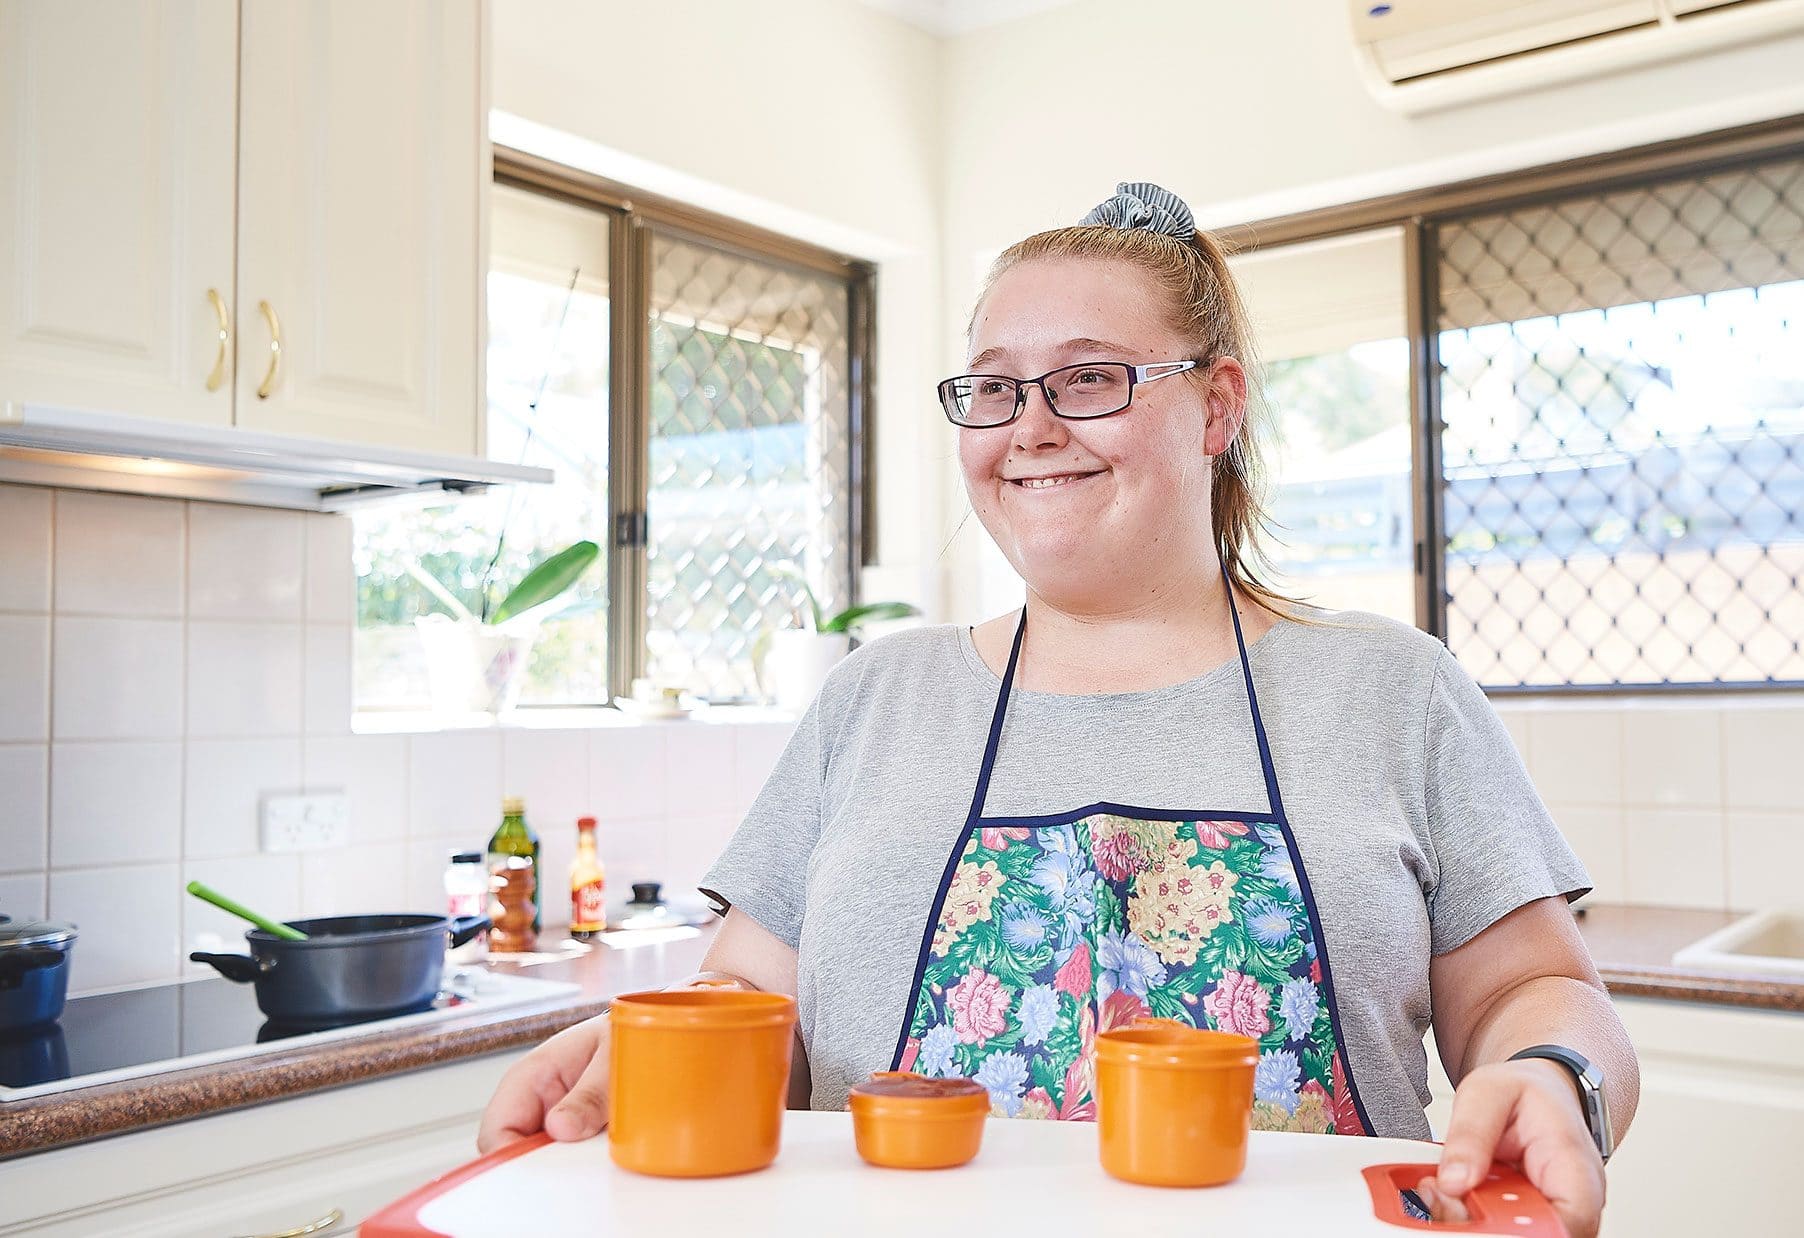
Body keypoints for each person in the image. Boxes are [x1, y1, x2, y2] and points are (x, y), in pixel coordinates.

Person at [481, 182, 1638, 1237]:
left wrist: (1553, 1074)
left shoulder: (1393, 689)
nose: (1028, 425)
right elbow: (745, 1002)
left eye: (1089, 377)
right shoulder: (872, 700)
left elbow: (1534, 992)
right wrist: (647, 1056)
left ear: (1216, 408)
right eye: (994, 387)